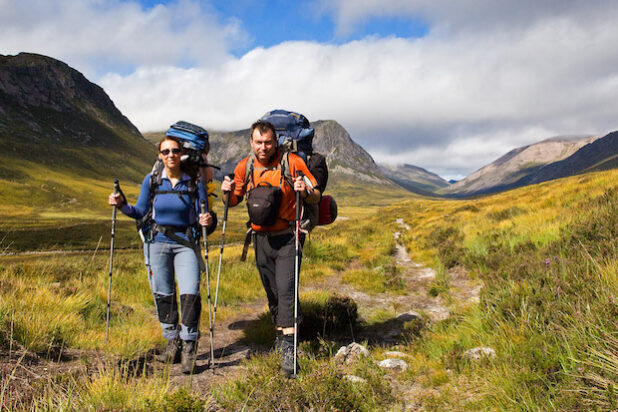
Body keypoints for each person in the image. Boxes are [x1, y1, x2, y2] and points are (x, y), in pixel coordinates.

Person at [108, 134, 215, 374]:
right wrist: (121, 205)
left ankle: (189, 348)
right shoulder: (152, 180)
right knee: (163, 294)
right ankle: (172, 344)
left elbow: (204, 214)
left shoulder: (194, 181)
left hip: (186, 243)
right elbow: (139, 211)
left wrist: (207, 219)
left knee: (190, 294)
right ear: (159, 155)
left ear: (181, 153)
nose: (170, 155)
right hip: (156, 243)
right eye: (165, 152)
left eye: (175, 151)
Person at [221, 120, 320, 376]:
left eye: (267, 142)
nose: (263, 147)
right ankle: (282, 337)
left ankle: (290, 351)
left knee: (287, 290)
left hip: (288, 237)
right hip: (260, 240)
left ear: (275, 141)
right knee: (273, 293)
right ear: (251, 142)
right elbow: (234, 200)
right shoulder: (246, 166)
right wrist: (226, 192)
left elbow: (316, 193)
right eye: (258, 142)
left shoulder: (292, 162)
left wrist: (306, 191)